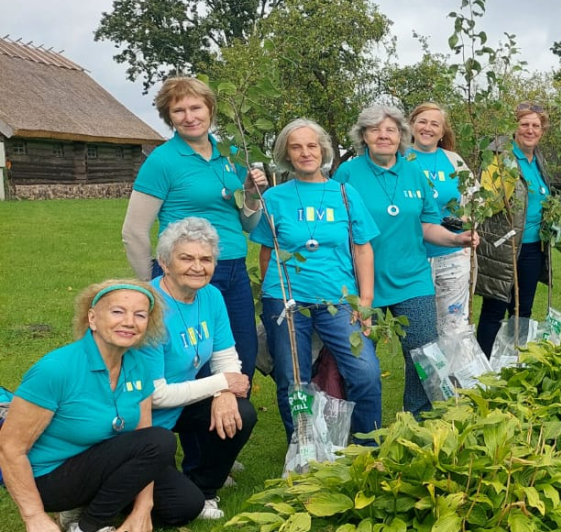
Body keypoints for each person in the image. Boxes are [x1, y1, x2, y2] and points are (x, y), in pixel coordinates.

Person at [0, 281, 203, 532]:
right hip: (49, 477)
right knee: (161, 439)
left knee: (184, 504)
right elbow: (9, 447)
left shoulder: (138, 364)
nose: (129, 322)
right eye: (118, 312)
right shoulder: (55, 369)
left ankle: (85, 506)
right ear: (93, 318)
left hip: (98, 462)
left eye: (140, 315)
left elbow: (143, 438)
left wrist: (143, 507)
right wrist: (34, 516)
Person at [337, 101, 477, 417]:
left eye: (390, 130)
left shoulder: (413, 171)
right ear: (363, 135)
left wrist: (456, 238)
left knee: (423, 356)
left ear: (401, 135)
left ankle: (417, 418)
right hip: (363, 282)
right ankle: (362, 427)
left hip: (413, 278)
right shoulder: (348, 173)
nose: (383, 136)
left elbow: (427, 225)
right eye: (375, 130)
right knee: (360, 363)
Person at [122, 76, 269, 377]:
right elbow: (133, 231)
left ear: (210, 109)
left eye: (196, 108)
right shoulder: (162, 161)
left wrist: (253, 194)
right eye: (179, 111)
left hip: (234, 269)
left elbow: (247, 223)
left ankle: (236, 407)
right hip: (187, 272)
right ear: (169, 117)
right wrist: (151, 287)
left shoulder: (232, 155)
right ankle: (198, 409)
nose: (189, 117)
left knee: (243, 352)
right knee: (196, 358)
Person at [250, 118, 383, 440]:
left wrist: (365, 301)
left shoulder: (345, 194)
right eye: (296, 147)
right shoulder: (276, 198)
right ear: (287, 154)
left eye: (312, 146)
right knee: (292, 380)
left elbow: (363, 249)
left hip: (338, 299)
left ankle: (366, 445)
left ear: (323, 150)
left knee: (365, 372)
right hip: (287, 301)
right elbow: (267, 252)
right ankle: (304, 449)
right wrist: (273, 297)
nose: (305, 153)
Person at [143, 219, 257, 520]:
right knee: (177, 509)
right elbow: (155, 396)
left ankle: (205, 489)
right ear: (164, 263)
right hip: (141, 419)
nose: (198, 267)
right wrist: (222, 384)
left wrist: (224, 392)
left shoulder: (211, 296)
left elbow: (226, 356)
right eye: (186, 258)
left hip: (181, 403)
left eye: (206, 259)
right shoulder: (147, 306)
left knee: (242, 412)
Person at [475, 103, 554, 355]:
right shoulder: (501, 158)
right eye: (524, 124)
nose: (530, 130)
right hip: (504, 246)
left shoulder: (537, 160)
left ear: (542, 130)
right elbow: (488, 203)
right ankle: (485, 366)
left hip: (533, 247)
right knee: (495, 310)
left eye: (536, 125)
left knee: (522, 311)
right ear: (514, 127)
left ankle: (512, 362)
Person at [408, 102, 474, 340]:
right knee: (421, 328)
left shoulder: (453, 160)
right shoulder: (399, 159)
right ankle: (425, 366)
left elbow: (475, 198)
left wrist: (464, 219)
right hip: (413, 256)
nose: (428, 128)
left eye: (435, 124)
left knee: (453, 326)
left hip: (451, 254)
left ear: (443, 131)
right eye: (422, 122)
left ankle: (453, 366)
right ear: (411, 126)